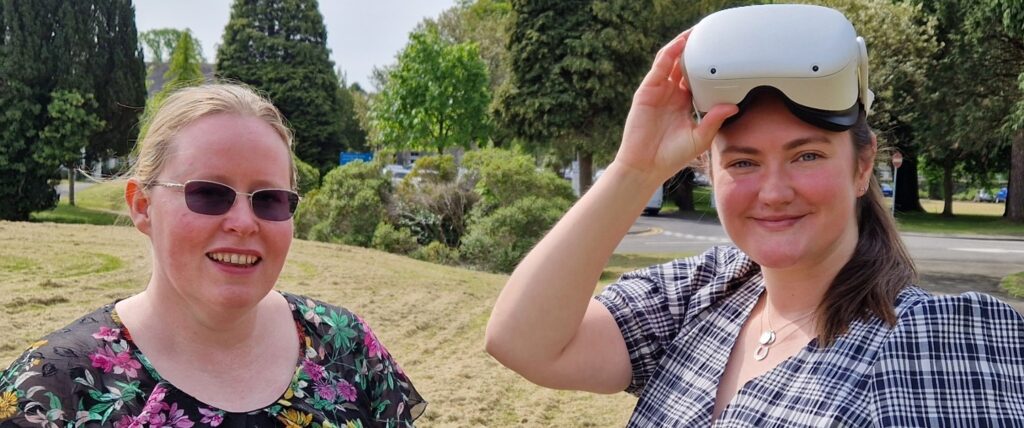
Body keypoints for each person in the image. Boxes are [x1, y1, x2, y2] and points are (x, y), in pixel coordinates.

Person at [485, 4, 1023, 426]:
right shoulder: (704, 293)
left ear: (862, 167)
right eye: (743, 162)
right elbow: (523, 343)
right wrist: (634, 169)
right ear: (709, 171)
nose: (772, 191)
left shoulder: (937, 340)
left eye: (806, 155)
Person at [0, 83, 425, 427]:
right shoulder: (55, 391)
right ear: (142, 207)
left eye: (270, 199)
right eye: (208, 193)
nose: (243, 222)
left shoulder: (347, 347)